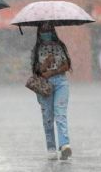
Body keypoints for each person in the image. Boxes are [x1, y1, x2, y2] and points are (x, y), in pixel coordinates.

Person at [31, 22, 72, 160]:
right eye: (43, 30)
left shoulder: (60, 46)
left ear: (52, 31)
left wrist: (54, 71)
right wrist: (46, 64)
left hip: (61, 83)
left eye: (48, 29)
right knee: (48, 117)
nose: (46, 32)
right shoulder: (36, 50)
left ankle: (65, 144)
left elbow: (67, 65)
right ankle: (51, 147)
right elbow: (36, 71)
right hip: (45, 85)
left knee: (60, 113)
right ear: (39, 32)